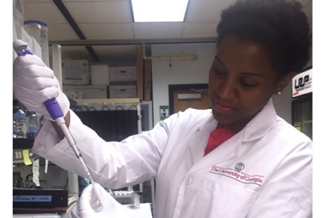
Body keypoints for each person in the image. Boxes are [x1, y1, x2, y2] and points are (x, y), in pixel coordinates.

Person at [13, 0, 312, 217]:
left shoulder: (295, 157)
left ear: (281, 82)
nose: (224, 91)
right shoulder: (182, 126)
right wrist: (53, 109)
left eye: (247, 83)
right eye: (219, 71)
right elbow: (111, 163)